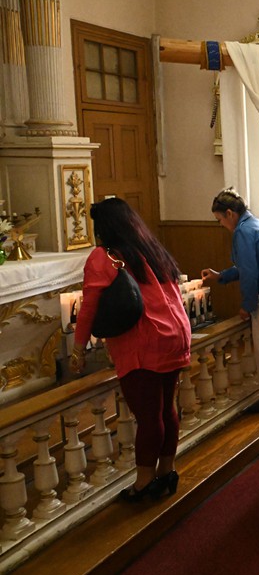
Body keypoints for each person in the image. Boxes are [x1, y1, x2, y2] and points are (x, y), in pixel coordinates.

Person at [70, 198, 191, 501]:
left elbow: (88, 308)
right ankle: (166, 472)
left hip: (145, 341)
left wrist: (78, 350)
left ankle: (144, 482)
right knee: (166, 409)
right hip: (175, 334)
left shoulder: (105, 256)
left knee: (149, 416)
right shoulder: (150, 249)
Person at [202, 188, 259, 413]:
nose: (221, 224)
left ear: (230, 213)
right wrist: (221, 276)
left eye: (220, 219)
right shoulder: (256, 224)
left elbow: (249, 272)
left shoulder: (243, 231)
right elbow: (248, 266)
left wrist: (247, 305)